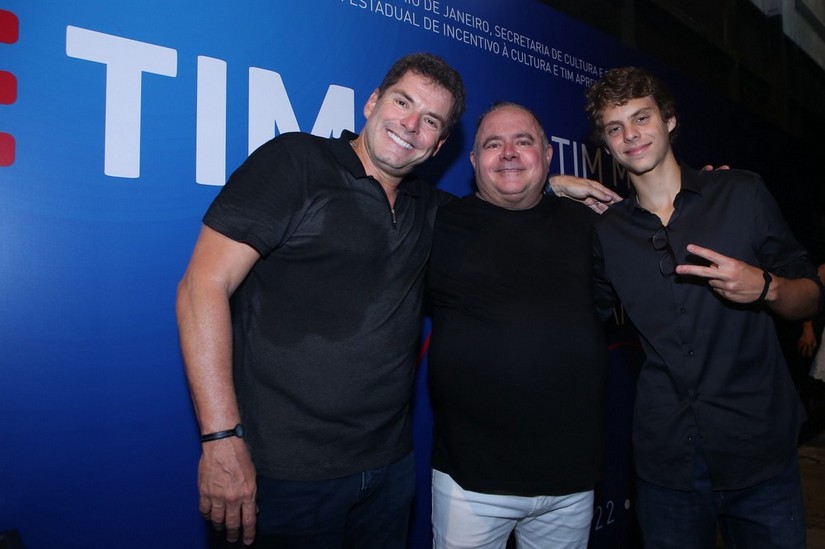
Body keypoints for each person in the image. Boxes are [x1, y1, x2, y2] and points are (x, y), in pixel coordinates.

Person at [175, 52, 466, 548]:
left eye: (430, 121)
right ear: (372, 102)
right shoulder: (297, 161)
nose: (410, 125)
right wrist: (221, 439)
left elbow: (505, 215)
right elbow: (202, 287)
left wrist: (555, 189)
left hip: (389, 472)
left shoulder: (431, 208)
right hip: (285, 476)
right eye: (402, 102)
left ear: (438, 145)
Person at [585, 66, 825, 548]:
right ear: (606, 145)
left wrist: (766, 288)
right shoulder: (608, 232)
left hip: (759, 453)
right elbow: (577, 317)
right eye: (615, 128)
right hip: (667, 465)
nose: (630, 135)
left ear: (670, 120)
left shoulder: (739, 193)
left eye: (641, 118)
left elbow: (811, 295)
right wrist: (554, 188)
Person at [427, 102, 607, 548]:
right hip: (470, 483)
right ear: (474, 161)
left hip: (570, 482)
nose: (508, 152)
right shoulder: (437, 224)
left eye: (522, 142)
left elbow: (662, 227)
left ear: (547, 154)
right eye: (493, 144)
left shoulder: (590, 224)